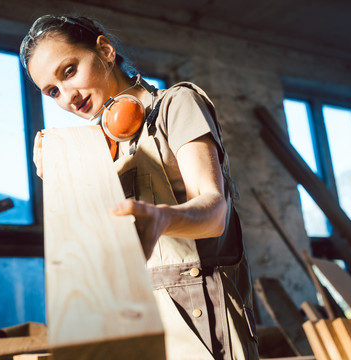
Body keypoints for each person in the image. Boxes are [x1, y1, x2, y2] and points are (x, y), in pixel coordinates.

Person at [20, 15, 259, 360]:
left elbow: (215, 211)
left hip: (202, 312)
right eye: (52, 91)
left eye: (69, 70)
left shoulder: (175, 105)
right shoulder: (96, 151)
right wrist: (62, 183)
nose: (68, 97)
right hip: (137, 317)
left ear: (105, 49)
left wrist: (161, 219)